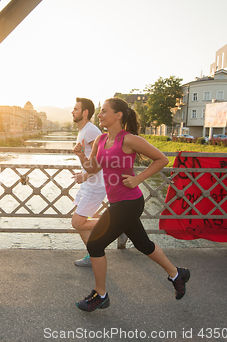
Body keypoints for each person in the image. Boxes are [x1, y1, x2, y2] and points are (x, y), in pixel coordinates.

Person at [73, 97, 190, 312]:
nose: (99, 115)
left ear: (118, 115)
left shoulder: (129, 140)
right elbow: (93, 169)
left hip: (129, 202)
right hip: (117, 201)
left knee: (95, 245)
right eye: (99, 111)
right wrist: (81, 156)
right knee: (143, 245)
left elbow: (162, 159)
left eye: (104, 111)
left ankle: (101, 295)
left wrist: (138, 178)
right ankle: (177, 274)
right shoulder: (100, 140)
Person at [70, 98, 106, 266]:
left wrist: (85, 176)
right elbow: (91, 159)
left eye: (76, 109)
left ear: (85, 113)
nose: (72, 111)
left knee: (77, 222)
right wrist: (83, 172)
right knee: (80, 223)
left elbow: (101, 160)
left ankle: (119, 224)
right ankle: (93, 256)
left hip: (95, 185)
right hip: (88, 184)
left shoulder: (91, 131)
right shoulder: (84, 130)